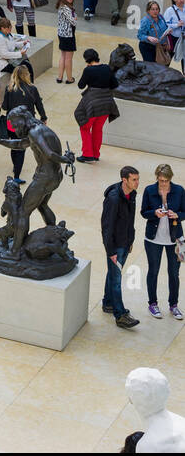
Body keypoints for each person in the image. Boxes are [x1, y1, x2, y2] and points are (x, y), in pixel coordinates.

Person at [141, 163, 185, 320]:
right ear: (157, 178)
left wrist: (177, 215)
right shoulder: (149, 190)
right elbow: (143, 213)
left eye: (166, 180)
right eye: (160, 180)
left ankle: (173, 305)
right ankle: (152, 303)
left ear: (170, 179)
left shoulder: (179, 190)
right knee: (153, 271)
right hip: (153, 239)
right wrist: (154, 213)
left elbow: (184, 212)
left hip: (175, 240)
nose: (163, 183)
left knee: (174, 273)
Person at [102, 166, 141, 329]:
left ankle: (108, 303)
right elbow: (107, 227)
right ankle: (120, 314)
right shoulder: (114, 198)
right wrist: (110, 251)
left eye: (138, 179)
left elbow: (130, 220)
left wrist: (130, 239)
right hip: (115, 246)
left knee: (113, 273)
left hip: (125, 242)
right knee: (117, 279)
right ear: (124, 180)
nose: (137, 183)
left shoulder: (131, 194)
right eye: (134, 179)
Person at [1, 65, 47, 184]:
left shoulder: (9, 88)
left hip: (12, 123)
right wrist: (43, 117)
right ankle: (16, 175)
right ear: (26, 75)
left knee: (13, 144)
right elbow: (39, 104)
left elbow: (4, 107)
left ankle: (15, 166)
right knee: (21, 148)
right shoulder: (32, 89)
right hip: (26, 125)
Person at [75, 48, 119, 163]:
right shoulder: (107, 68)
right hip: (107, 104)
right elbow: (115, 84)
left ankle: (87, 155)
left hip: (93, 104)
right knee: (97, 129)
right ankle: (95, 154)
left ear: (87, 60)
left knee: (84, 127)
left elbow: (80, 85)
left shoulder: (88, 70)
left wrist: (86, 72)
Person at [55, 0, 78, 83]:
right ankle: (69, 78)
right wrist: (75, 18)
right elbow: (73, 21)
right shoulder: (65, 8)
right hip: (68, 35)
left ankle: (59, 78)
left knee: (63, 56)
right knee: (68, 58)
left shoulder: (62, 6)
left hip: (61, 34)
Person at [164, 0, 185, 73]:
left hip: (183, 38)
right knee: (168, 58)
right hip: (173, 39)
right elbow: (165, 24)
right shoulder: (170, 10)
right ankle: (163, 74)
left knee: (184, 57)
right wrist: (177, 25)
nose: (182, 0)